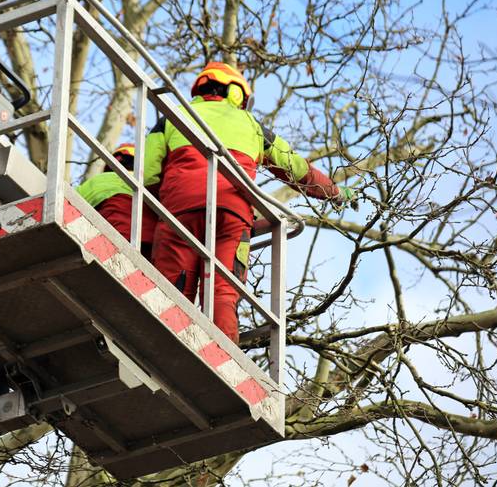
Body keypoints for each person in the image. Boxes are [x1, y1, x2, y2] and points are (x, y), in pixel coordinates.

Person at [144, 62, 355, 343]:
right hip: (233, 214)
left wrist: (165, 201)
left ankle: (162, 345)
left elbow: (147, 173)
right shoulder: (253, 126)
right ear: (235, 93)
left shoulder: (173, 117)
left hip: (179, 211)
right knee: (223, 291)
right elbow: (296, 168)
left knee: (173, 287)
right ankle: (222, 358)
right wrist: (334, 191)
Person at [76, 143, 158, 257]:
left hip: (102, 241)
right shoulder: (146, 183)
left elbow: (70, 203)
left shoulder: (95, 181)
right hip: (147, 244)